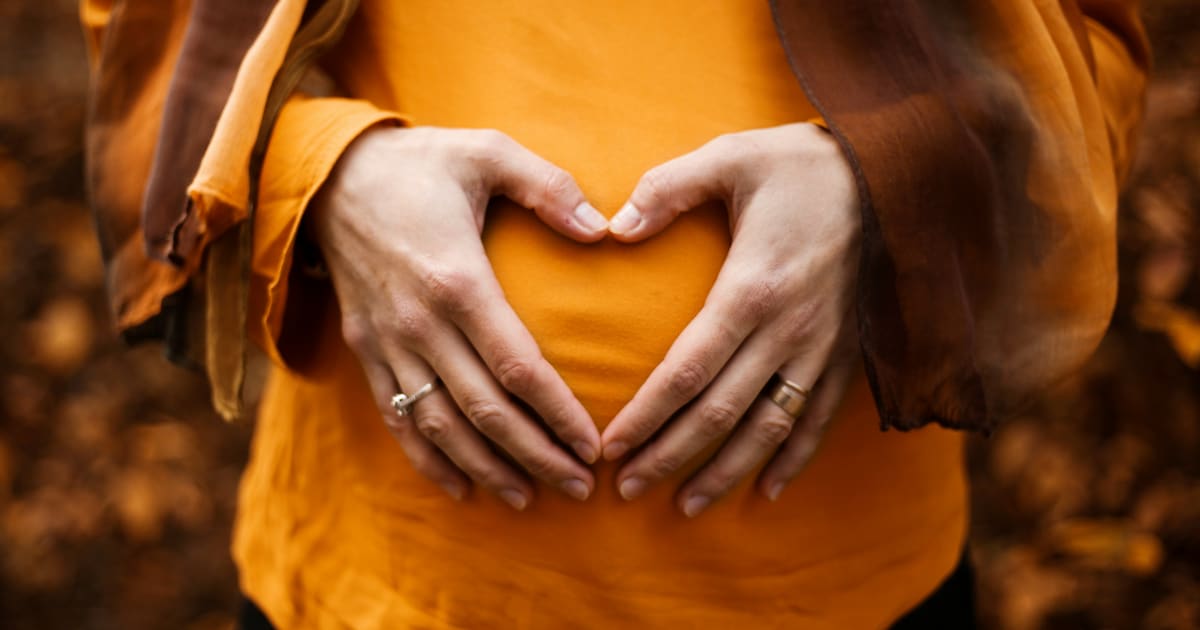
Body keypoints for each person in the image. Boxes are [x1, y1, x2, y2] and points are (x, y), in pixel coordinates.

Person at [82, 0, 1148, 627]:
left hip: (845, 594)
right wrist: (318, 176)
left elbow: (1091, 51)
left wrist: (892, 186)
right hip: (383, 586)